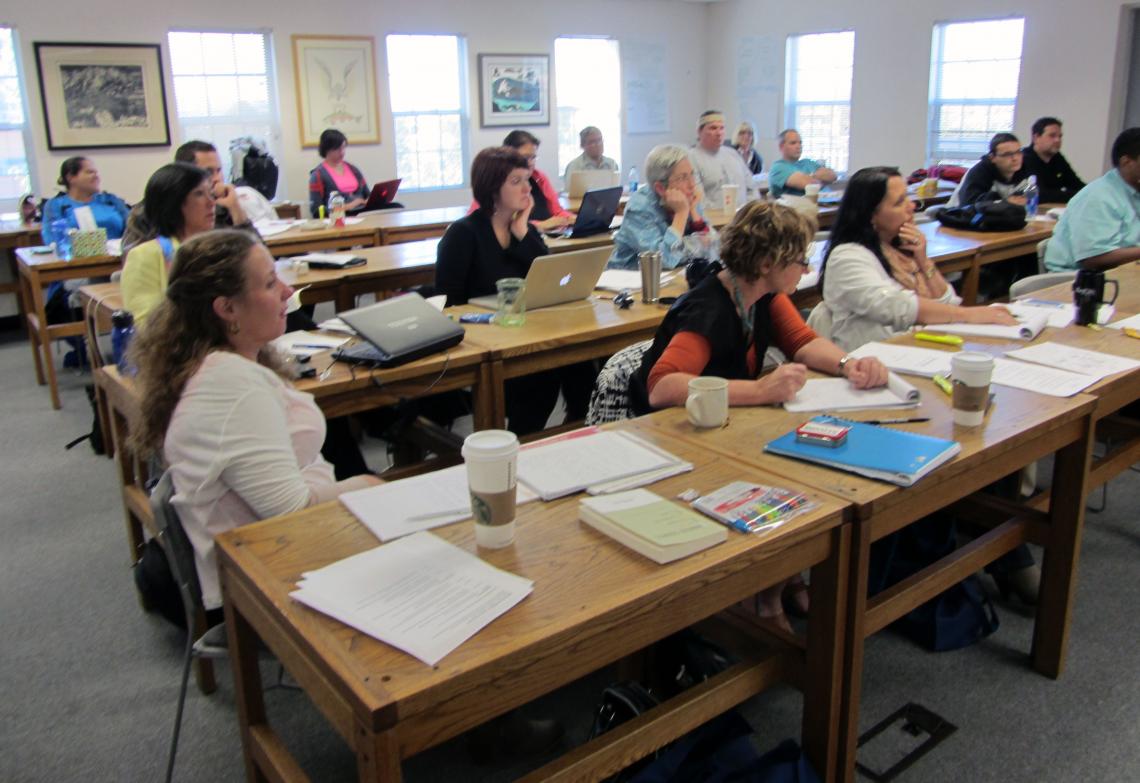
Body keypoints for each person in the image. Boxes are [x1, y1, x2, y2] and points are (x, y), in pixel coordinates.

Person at [631, 200, 888, 630]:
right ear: (768, 262)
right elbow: (663, 387)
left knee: (800, 459)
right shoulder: (709, 308)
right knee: (787, 465)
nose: (805, 270)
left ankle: (779, 578)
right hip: (666, 434)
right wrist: (760, 390)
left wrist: (848, 365)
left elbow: (803, 342)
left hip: (717, 423)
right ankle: (763, 591)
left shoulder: (762, 294)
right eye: (799, 260)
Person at [128, 230, 380, 617]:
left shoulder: (225, 362)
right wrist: (363, 486)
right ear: (227, 308)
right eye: (268, 283)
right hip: (260, 574)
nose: (285, 290)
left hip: (263, 547)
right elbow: (290, 510)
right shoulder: (231, 386)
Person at [439, 147, 594, 435]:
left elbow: (550, 278)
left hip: (528, 331)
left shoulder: (527, 231)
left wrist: (522, 230)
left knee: (583, 362)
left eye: (528, 179)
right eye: (516, 181)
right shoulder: (463, 234)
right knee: (543, 377)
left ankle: (576, 430)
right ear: (492, 188)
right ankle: (522, 441)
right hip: (487, 340)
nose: (527, 188)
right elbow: (448, 304)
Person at [808, 166, 1018, 352]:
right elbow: (895, 305)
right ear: (871, 215)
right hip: (872, 361)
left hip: (914, 351)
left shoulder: (900, 248)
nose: (912, 206)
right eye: (900, 202)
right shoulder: (847, 256)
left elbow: (949, 303)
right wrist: (970, 315)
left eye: (908, 198)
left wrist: (923, 261)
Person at [121, 163, 219, 325]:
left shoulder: (219, 248)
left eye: (211, 194)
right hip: (178, 345)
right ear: (174, 202)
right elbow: (146, 325)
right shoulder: (146, 255)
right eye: (199, 194)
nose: (211, 203)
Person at [122, 140, 253, 252]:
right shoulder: (147, 212)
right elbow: (134, 259)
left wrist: (235, 208)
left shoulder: (223, 203)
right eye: (208, 172)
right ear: (184, 172)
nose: (217, 178)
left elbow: (257, 254)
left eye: (219, 171)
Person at [1045, 127, 1140, 271]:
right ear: (1126, 162)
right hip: (1075, 282)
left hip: (1122, 274)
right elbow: (1094, 259)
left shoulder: (1134, 190)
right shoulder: (1099, 196)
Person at [607, 144, 715, 270]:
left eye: (692, 175)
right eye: (683, 178)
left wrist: (693, 214)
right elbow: (663, 261)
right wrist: (682, 213)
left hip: (674, 277)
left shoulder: (688, 197)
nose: (692, 184)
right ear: (660, 188)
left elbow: (712, 248)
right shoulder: (639, 209)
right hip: (630, 282)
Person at [470, 130, 574, 233]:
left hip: (545, 236)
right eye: (525, 157)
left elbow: (557, 211)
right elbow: (483, 222)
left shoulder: (539, 177)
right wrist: (540, 225)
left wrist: (572, 219)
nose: (530, 163)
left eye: (533, 157)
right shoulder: (494, 180)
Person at [40, 156, 131, 247]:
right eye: (90, 172)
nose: (96, 176)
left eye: (96, 172)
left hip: (119, 255)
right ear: (71, 177)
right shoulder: (57, 205)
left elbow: (133, 229)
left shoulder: (110, 200)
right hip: (77, 258)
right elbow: (51, 239)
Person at [688, 110, 757, 211]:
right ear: (699, 131)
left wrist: (750, 212)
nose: (719, 133)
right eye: (713, 128)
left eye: (722, 128)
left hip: (744, 218)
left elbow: (752, 188)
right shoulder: (691, 158)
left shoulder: (733, 154)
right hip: (715, 222)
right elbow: (699, 201)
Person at [947, 132, 1028, 207]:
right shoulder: (979, 172)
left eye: (1018, 152)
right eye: (1007, 154)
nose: (1015, 158)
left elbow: (1031, 196)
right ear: (992, 157)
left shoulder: (1024, 168)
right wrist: (1005, 202)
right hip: (958, 217)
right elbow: (968, 205)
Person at [1016, 117, 1085, 203]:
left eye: (1060, 136)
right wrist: (1075, 195)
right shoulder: (1024, 159)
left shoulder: (1058, 158)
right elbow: (1035, 194)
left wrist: (1087, 192)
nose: (1058, 140)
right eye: (1052, 136)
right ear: (1036, 138)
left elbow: (1077, 185)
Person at [308, 128, 370, 217]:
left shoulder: (353, 169)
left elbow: (368, 194)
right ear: (326, 149)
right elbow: (316, 210)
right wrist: (350, 205)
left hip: (362, 211)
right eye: (337, 149)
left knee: (395, 205)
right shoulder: (318, 175)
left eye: (343, 147)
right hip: (340, 216)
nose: (342, 153)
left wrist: (368, 201)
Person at [768, 129, 836, 198]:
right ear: (781, 147)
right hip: (795, 208)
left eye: (800, 143)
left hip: (825, 205)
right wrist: (822, 180)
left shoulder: (807, 162)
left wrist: (811, 176)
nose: (798, 146)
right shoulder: (778, 168)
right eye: (793, 143)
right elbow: (810, 186)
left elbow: (832, 175)